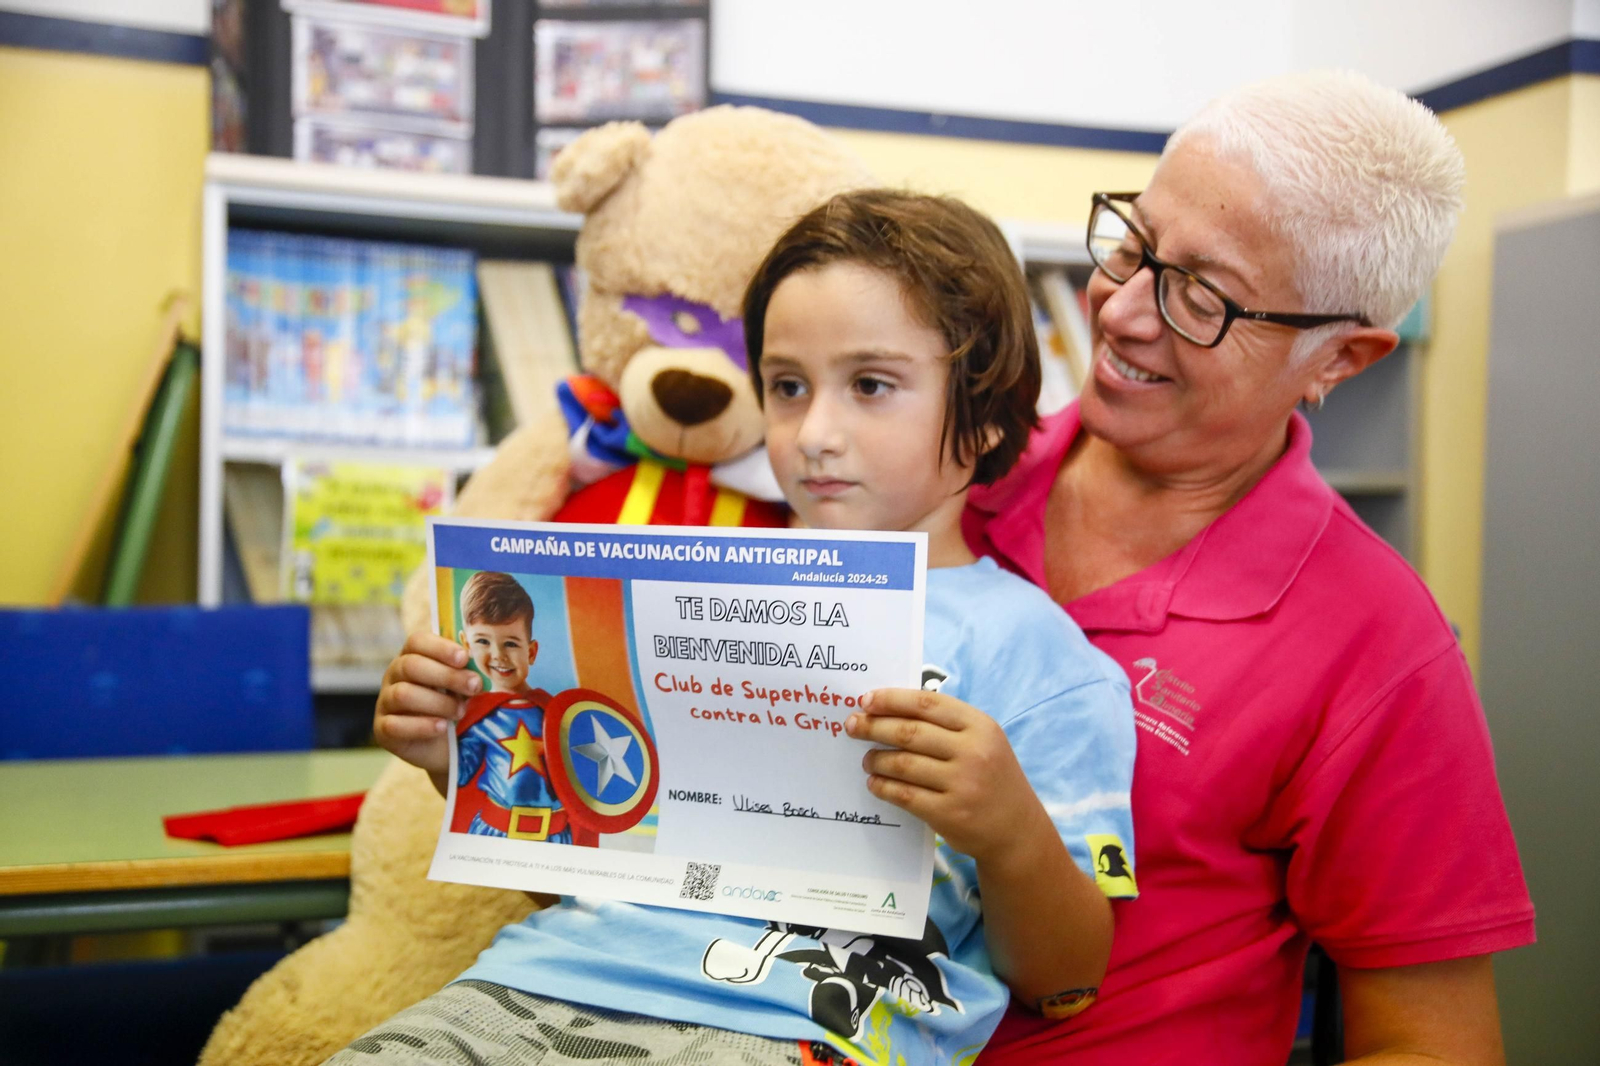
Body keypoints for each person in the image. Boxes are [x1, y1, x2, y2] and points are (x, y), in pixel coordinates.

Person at [350, 189, 1137, 1066]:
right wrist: (453, 756)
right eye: (787, 387)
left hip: (793, 1030)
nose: (816, 433)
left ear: (987, 413)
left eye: (871, 386)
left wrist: (1010, 830)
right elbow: (590, 877)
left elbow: (1065, 980)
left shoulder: (1036, 654)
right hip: (538, 982)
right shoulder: (673, 591)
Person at [961, 71, 1534, 1065]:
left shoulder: (1378, 648)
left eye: (1202, 297)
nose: (1121, 311)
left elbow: (1437, 1045)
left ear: (1340, 359)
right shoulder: (951, 478)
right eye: (1133, 244)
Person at [448, 571, 574, 844]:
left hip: (556, 836)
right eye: (483, 641)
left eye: (511, 644)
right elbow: (456, 774)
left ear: (531, 652)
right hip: (495, 834)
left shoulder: (554, 713)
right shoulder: (477, 716)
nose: (498, 655)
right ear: (466, 644)